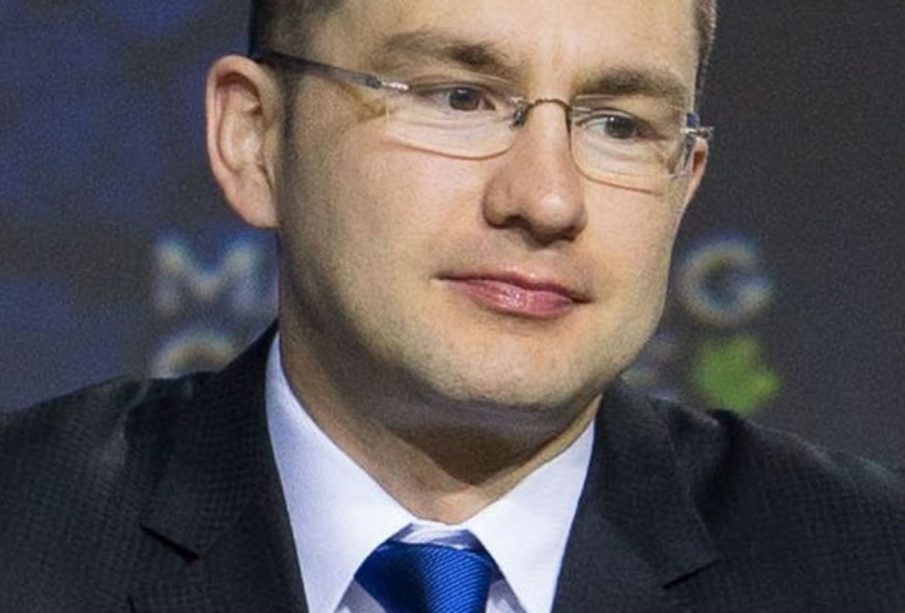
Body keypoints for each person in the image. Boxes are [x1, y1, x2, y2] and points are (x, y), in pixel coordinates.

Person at [1, 0, 903, 610]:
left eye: (618, 124)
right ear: (254, 138)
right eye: (458, 97)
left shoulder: (869, 564)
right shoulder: (26, 533)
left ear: (683, 181)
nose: (546, 198)